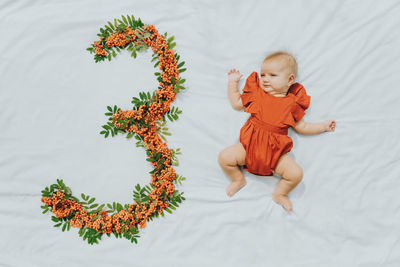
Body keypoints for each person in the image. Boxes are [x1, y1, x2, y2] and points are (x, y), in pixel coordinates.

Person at [218, 51, 336, 212]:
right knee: (224, 157)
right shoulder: (257, 94)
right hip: (247, 149)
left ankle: (280, 194)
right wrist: (232, 83)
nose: (265, 79)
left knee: (296, 174)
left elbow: (303, 127)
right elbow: (237, 102)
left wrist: (323, 126)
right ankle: (238, 180)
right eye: (263, 74)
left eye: (273, 75)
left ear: (290, 80)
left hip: (275, 156)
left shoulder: (292, 104)